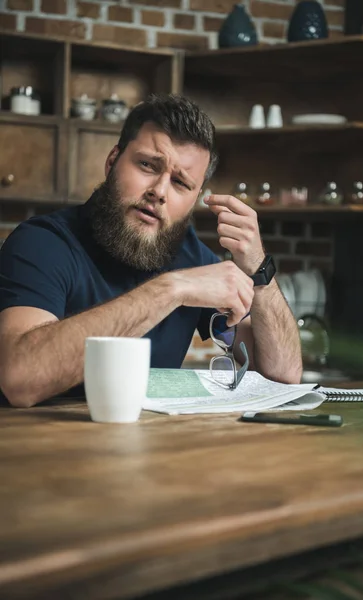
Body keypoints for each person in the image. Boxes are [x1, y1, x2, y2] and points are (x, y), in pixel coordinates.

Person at [0, 94, 302, 408]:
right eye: (147, 165)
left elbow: (283, 376)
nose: (159, 191)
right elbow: (21, 381)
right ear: (112, 161)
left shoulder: (191, 256)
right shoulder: (42, 243)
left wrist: (260, 269)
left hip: (147, 450)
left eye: (181, 183)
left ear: (195, 197)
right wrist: (171, 290)